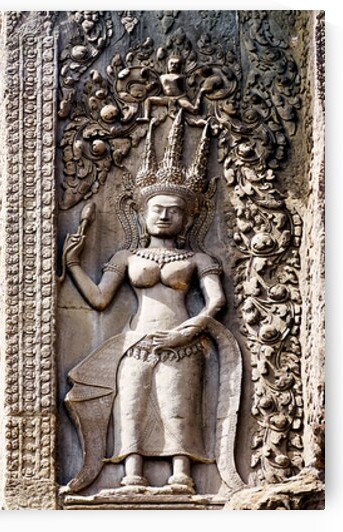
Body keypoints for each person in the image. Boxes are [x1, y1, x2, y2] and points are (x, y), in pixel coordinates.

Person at [62, 112, 244, 494]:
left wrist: (192, 328)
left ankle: (182, 476)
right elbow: (99, 300)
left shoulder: (197, 260)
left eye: (173, 211)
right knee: (132, 406)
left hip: (182, 342)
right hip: (136, 342)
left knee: (177, 406)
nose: (164, 215)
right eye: (157, 210)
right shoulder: (128, 258)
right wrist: (74, 265)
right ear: (142, 216)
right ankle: (132, 475)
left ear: (187, 217)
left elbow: (216, 302)